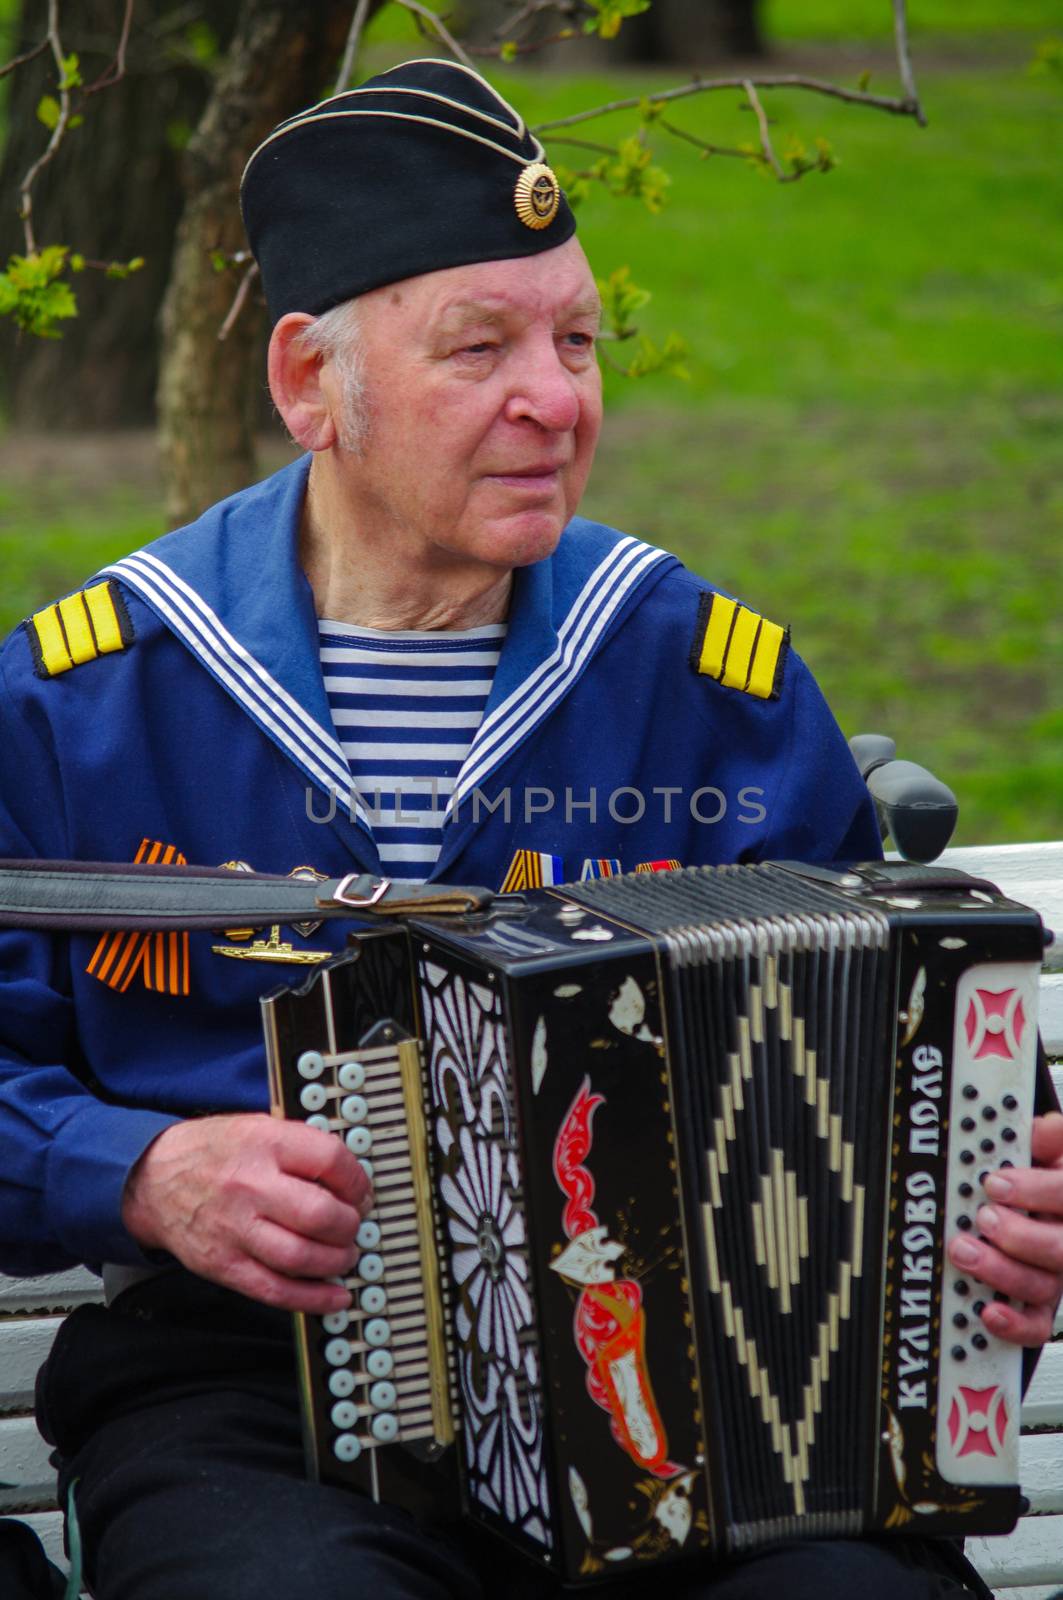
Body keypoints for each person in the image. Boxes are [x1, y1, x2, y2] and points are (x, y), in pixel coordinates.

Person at [0, 57, 1060, 1600]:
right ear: (311, 385)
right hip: (260, 1400)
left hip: (694, 1393)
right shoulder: (90, 698)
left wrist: (1008, 1189)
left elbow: (927, 1037)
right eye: (480, 347)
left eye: (577, 341)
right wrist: (141, 1168)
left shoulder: (699, 675)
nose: (555, 402)